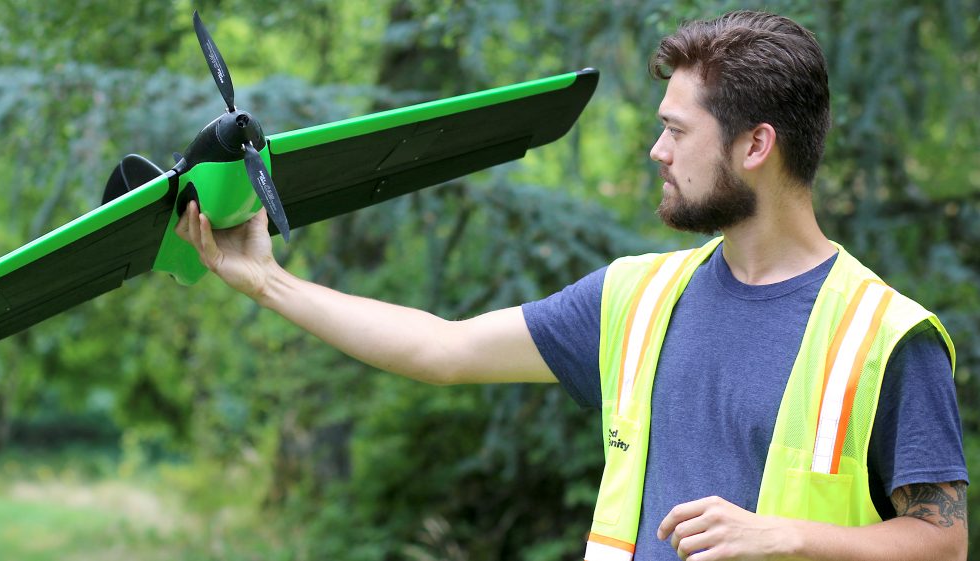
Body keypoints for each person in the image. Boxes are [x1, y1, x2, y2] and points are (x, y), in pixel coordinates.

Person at [176, 10, 968, 561]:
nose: (657, 150)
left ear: (756, 143)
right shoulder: (638, 297)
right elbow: (439, 348)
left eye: (676, 130)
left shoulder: (883, 335)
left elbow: (941, 540)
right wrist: (265, 280)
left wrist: (784, 535)